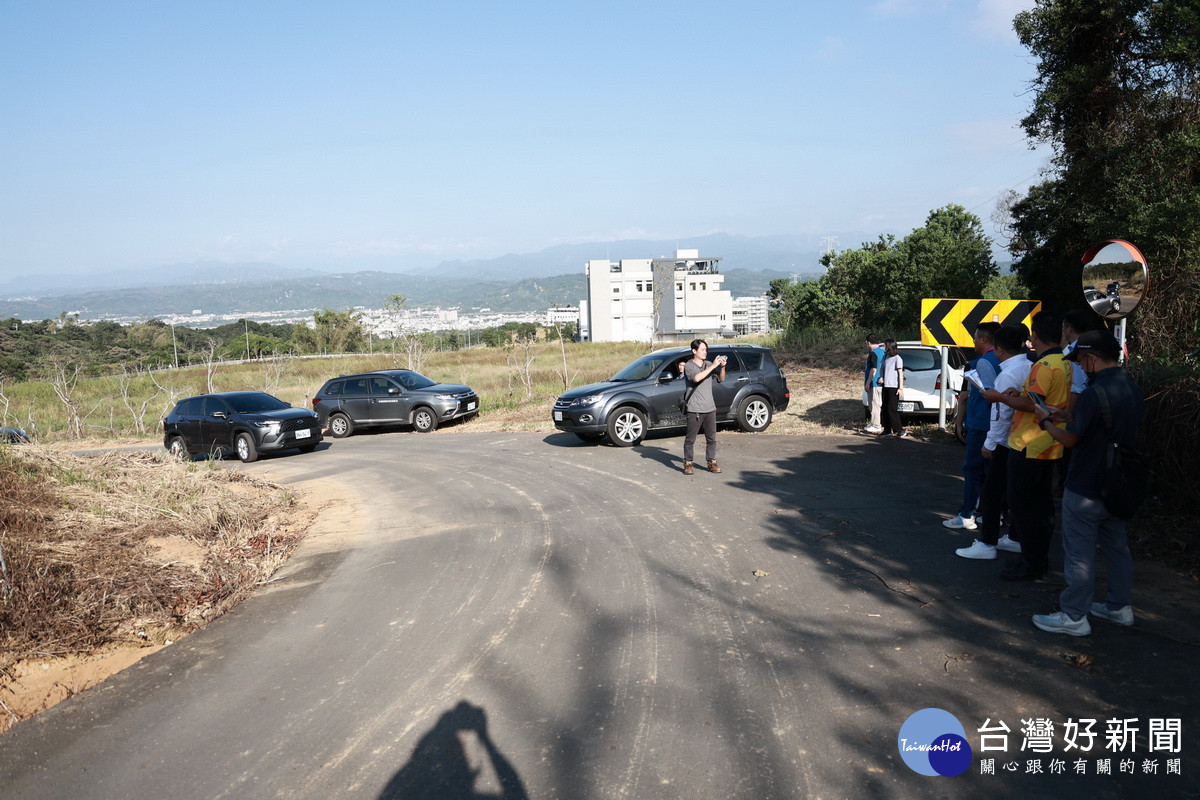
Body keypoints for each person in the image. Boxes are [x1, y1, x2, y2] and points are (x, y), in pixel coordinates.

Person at [1029, 329, 1144, 636]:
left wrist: (1045, 420)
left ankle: (1074, 615)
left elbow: (1070, 439)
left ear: (1092, 358)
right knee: (1117, 548)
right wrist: (1066, 413)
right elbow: (1103, 426)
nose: (1079, 367)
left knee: (1079, 553)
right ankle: (1119, 607)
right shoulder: (1131, 388)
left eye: (1080, 361)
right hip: (1119, 484)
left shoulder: (1094, 393)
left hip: (1086, 485)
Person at [991, 312, 1072, 581]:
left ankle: (1030, 562)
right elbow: (1042, 399)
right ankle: (1037, 559)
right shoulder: (1066, 363)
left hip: (1029, 443)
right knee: (1041, 505)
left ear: (1035, 337)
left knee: (1023, 506)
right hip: (1051, 441)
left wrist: (1000, 397)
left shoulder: (1043, 365)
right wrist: (1021, 395)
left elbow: (1034, 405)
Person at [955, 325, 1029, 559]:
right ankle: (1015, 537)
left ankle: (987, 543)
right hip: (1025, 438)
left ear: (998, 348)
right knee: (1016, 492)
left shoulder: (1002, 371)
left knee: (991, 490)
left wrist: (990, 442)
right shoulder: (1031, 366)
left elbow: (1000, 411)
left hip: (1004, 439)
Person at [944, 322, 1001, 530]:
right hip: (1000, 425)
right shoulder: (1007, 361)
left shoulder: (981, 363)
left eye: (976, 337)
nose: (974, 341)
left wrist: (959, 425)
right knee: (992, 473)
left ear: (985, 339)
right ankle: (992, 513)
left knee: (972, 470)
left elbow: (969, 396)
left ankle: (967, 514)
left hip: (981, 424)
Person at [682, 339, 726, 475]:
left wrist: (722, 367)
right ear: (694, 351)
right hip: (695, 409)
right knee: (690, 439)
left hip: (710, 408)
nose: (705, 352)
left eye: (706, 350)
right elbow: (696, 378)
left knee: (711, 439)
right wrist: (713, 366)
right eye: (702, 350)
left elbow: (721, 379)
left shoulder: (708, 364)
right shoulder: (689, 366)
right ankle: (688, 463)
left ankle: (712, 462)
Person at [879, 339, 908, 438]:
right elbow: (882, 369)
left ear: (890, 346)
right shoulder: (885, 357)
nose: (884, 348)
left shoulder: (897, 358)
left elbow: (900, 373)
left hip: (894, 387)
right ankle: (887, 430)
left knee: (892, 409)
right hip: (886, 386)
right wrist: (881, 377)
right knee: (885, 408)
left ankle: (900, 430)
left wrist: (900, 388)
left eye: (885, 346)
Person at [863, 334, 886, 434]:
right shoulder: (882, 351)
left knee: (874, 404)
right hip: (878, 382)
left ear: (868, 343)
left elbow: (873, 369)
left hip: (874, 383)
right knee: (874, 403)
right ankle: (873, 423)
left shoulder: (873, 353)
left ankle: (876, 425)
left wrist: (868, 383)